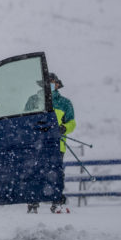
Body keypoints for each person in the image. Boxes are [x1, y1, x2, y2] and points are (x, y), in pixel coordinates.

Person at [26, 72, 76, 214]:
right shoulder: (33, 100)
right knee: (35, 172)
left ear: (58, 84)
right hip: (37, 144)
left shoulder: (65, 103)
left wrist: (64, 128)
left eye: (53, 81)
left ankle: (57, 202)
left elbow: (72, 122)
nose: (50, 84)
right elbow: (26, 119)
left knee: (56, 173)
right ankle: (33, 202)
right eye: (47, 81)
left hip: (57, 144)